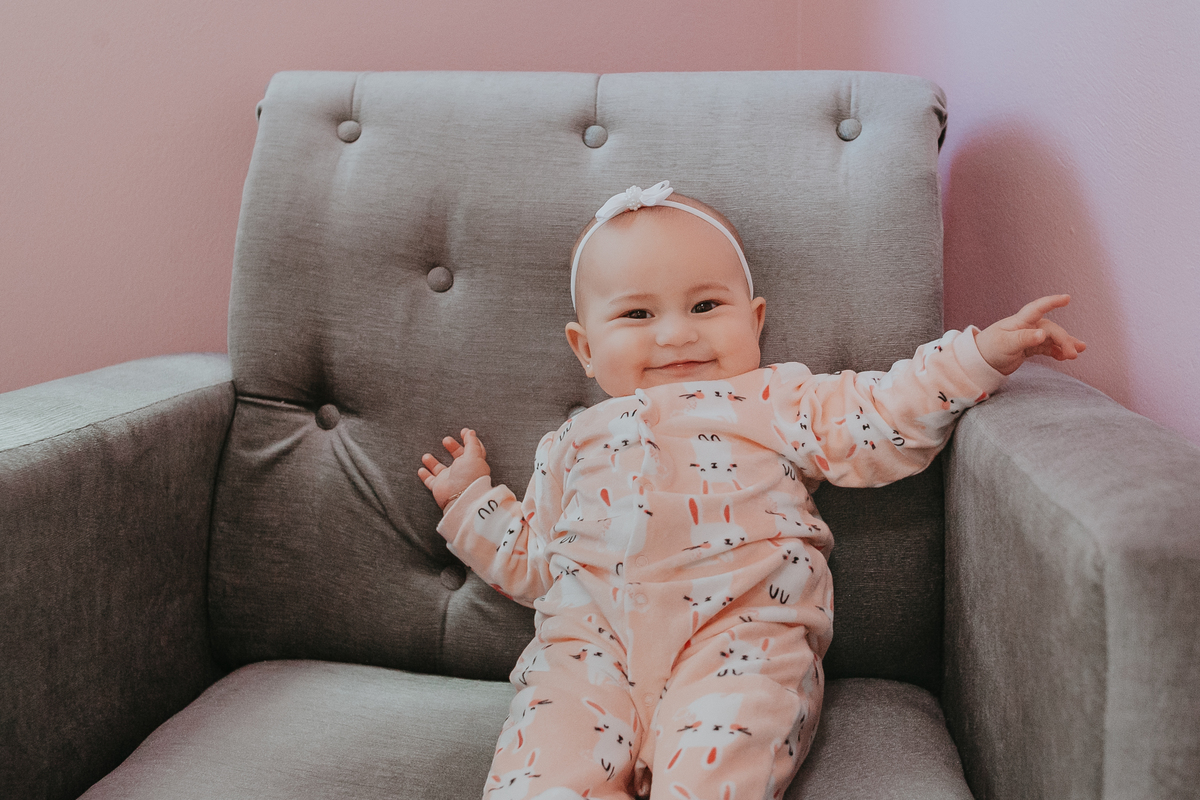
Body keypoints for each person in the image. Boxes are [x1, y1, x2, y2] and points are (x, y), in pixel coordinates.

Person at [418, 181, 1085, 800]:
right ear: (585, 348)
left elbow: (881, 415)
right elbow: (538, 566)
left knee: (718, 774)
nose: (676, 333)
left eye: (706, 306)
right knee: (536, 780)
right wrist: (472, 501)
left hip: (740, 640)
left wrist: (980, 355)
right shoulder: (570, 441)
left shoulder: (776, 397)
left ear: (755, 319)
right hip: (586, 652)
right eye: (637, 314)